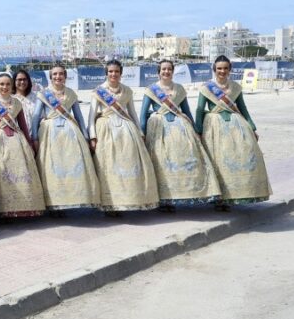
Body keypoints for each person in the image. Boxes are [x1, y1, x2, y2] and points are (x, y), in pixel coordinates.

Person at [140, 60, 221, 211]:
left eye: (169, 69)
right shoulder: (151, 90)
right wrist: (142, 133)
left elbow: (186, 110)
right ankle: (164, 200)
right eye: (163, 69)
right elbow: (143, 114)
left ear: (173, 71)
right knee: (162, 163)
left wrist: (196, 129)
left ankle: (182, 193)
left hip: (181, 127)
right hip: (159, 129)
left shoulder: (179, 89)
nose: (166, 72)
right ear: (159, 71)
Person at [195, 55, 271, 209]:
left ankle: (233, 195)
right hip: (214, 127)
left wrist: (252, 127)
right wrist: (199, 131)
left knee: (237, 159)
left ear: (230, 69)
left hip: (236, 126)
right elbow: (199, 110)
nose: (222, 71)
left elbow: (243, 108)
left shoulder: (235, 87)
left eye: (225, 68)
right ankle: (218, 198)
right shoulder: (206, 88)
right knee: (218, 162)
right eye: (219, 68)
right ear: (214, 70)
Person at [89, 60, 159, 215]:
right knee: (108, 167)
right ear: (106, 73)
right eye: (110, 72)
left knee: (128, 164)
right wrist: (92, 136)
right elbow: (91, 115)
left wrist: (140, 132)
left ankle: (126, 201)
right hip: (105, 129)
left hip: (127, 130)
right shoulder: (98, 91)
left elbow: (132, 112)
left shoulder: (127, 91)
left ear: (121, 73)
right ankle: (109, 204)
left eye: (116, 72)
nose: (113, 74)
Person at [30, 65, 100, 215]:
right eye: (55, 74)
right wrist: (34, 137)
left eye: (61, 74)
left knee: (71, 166)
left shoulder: (71, 94)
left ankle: (70, 200)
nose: (58, 76)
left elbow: (79, 117)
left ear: (65, 76)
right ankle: (54, 204)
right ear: (50, 77)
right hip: (49, 134)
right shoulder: (43, 94)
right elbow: (35, 117)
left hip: (71, 134)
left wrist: (87, 137)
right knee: (51, 168)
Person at [0, 74, 45, 218]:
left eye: (8, 84)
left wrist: (29, 144)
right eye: (1, 84)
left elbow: (22, 124)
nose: (5, 87)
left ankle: (23, 208)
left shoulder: (16, 103)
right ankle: (3, 210)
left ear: (12, 86)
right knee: (1, 175)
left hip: (17, 141)